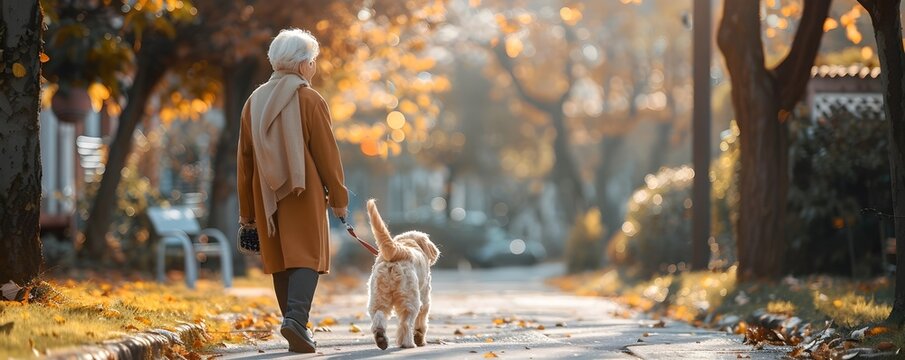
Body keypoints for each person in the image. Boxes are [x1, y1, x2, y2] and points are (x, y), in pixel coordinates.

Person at [237, 28, 349, 353]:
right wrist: (339, 200)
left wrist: (247, 213)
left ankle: (294, 324)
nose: (314, 67)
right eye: (312, 61)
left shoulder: (252, 102)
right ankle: (296, 321)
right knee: (307, 254)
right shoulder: (310, 98)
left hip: (265, 193)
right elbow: (327, 155)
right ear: (302, 65)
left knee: (281, 257)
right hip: (305, 190)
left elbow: (244, 163)